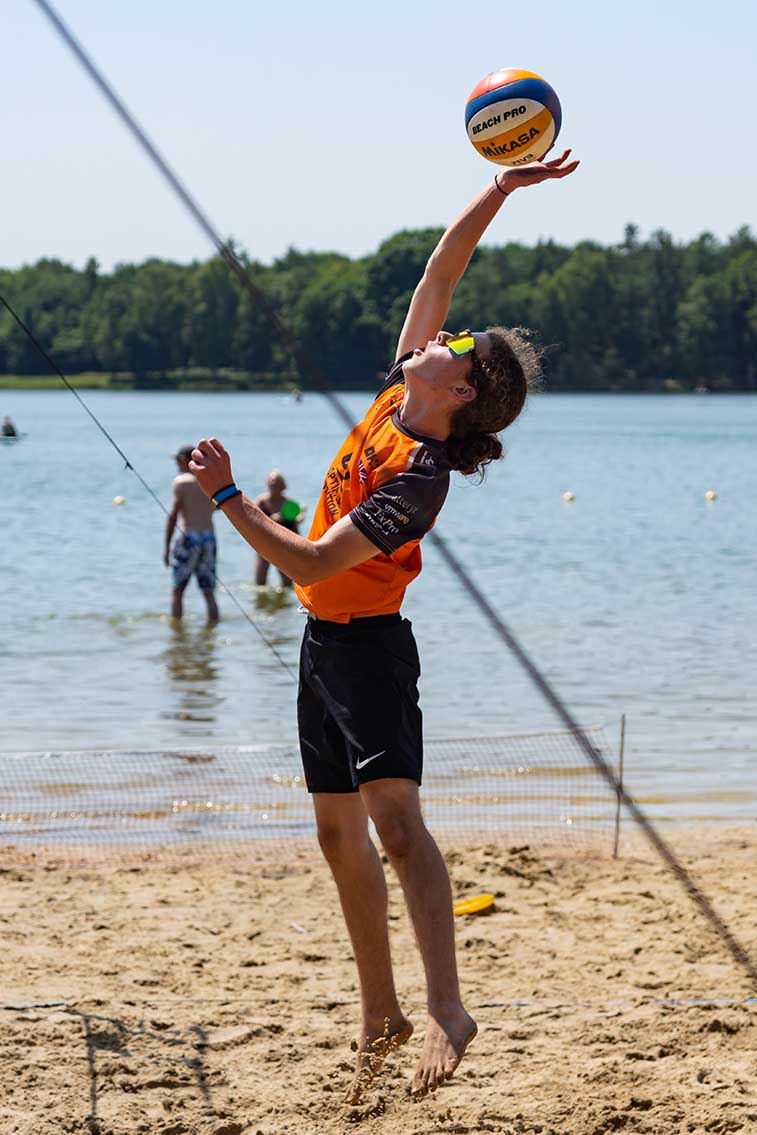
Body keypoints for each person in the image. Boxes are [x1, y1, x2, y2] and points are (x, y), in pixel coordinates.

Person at [188, 150, 579, 1101]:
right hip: (322, 645)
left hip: (366, 650)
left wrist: (231, 498)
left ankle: (447, 1005)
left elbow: (316, 561)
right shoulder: (397, 393)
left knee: (397, 826)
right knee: (336, 836)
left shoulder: (422, 475)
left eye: (451, 348)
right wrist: (499, 191)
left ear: (460, 394)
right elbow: (439, 271)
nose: (434, 336)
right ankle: (380, 1010)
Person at [164, 445, 219, 621]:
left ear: (184, 460)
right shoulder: (209, 481)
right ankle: (212, 631)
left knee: (177, 590)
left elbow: (174, 515)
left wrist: (166, 546)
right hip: (209, 538)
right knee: (208, 592)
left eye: (177, 460)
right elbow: (217, 507)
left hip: (189, 536)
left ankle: (176, 632)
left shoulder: (182, 482)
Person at [253, 470, 303, 587]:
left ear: (282, 485)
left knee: (287, 583)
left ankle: (285, 603)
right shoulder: (261, 501)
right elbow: (252, 518)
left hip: (283, 546)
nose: (273, 484)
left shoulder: (289, 502)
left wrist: (300, 517)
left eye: (276, 482)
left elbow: (296, 522)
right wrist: (271, 519)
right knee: (260, 582)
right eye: (271, 482)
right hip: (264, 544)